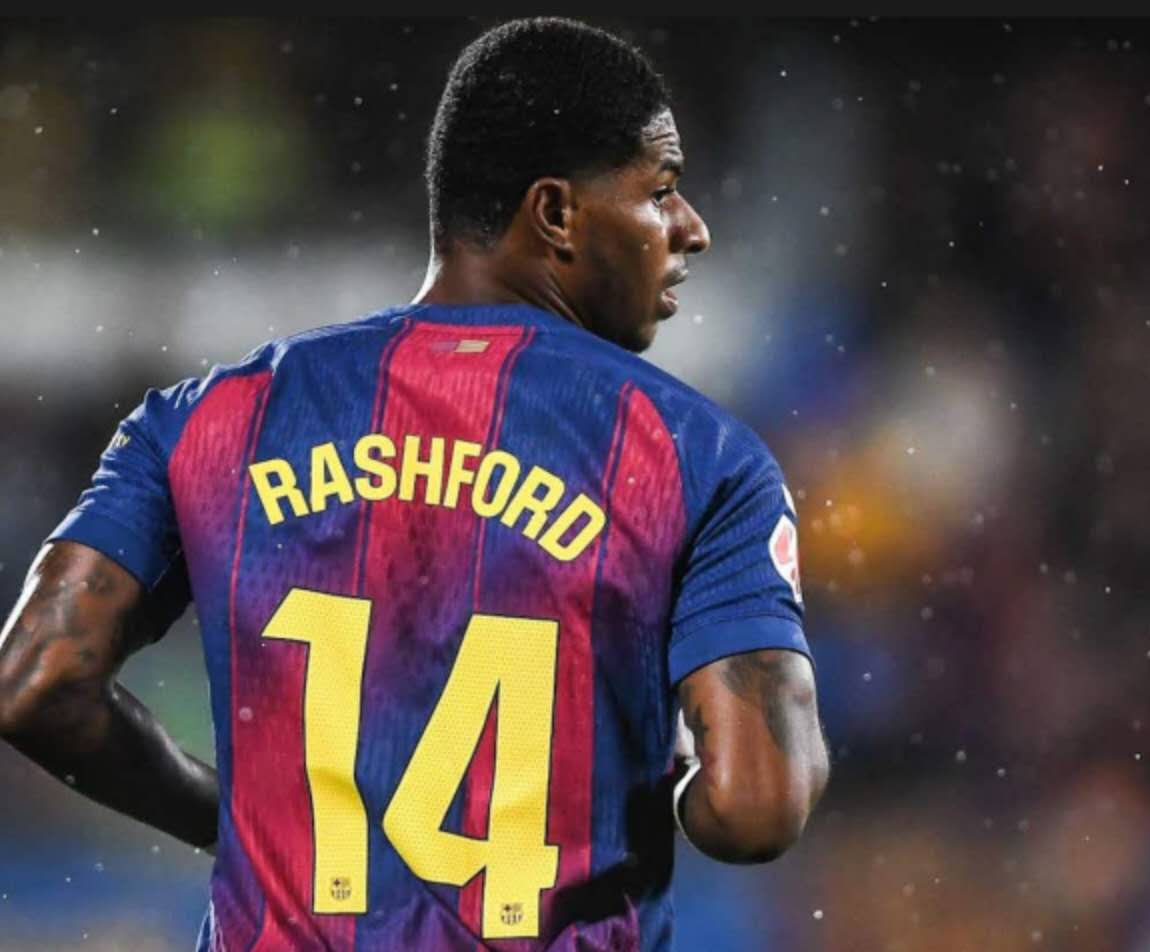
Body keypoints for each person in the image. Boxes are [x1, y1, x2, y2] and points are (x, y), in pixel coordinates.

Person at [0, 17, 829, 951]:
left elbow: (36, 682)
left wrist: (225, 819)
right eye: (662, 191)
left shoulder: (208, 421)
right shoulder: (696, 456)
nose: (692, 229)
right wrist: (669, 773)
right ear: (555, 214)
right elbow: (756, 808)